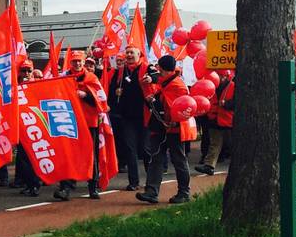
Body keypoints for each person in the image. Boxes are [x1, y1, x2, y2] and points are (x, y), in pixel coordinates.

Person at [136, 55, 193, 205]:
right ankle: (151, 192)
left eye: (158, 67)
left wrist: (153, 101)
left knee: (178, 160)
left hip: (174, 128)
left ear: (162, 68)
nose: (156, 70)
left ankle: (184, 192)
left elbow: (176, 108)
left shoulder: (176, 86)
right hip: (163, 127)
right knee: (156, 159)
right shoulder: (167, 82)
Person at [55, 51, 106, 200]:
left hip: (90, 123)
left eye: (79, 61)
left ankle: (93, 187)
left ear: (83, 63)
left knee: (92, 155)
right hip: (70, 122)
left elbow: (101, 99)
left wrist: (86, 96)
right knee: (68, 155)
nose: (77, 64)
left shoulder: (92, 78)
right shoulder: (64, 78)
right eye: (74, 61)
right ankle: (65, 187)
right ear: (70, 62)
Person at [106, 46, 149, 190]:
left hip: (144, 116)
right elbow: (110, 92)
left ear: (139, 55)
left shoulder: (146, 68)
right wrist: (115, 92)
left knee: (146, 150)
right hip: (127, 117)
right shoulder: (119, 72)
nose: (129, 55)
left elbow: (156, 77)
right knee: (130, 149)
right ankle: (134, 182)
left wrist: (150, 79)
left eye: (132, 53)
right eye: (128, 52)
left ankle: (152, 181)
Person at [12, 59, 43, 196]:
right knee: (23, 158)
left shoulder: (38, 85)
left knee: (33, 158)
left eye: (28, 71)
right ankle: (29, 183)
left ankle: (35, 184)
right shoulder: (14, 87)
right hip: (20, 128)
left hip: (34, 127)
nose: (26, 73)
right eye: (23, 70)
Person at [195, 73, 234, 175]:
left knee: (231, 143)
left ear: (225, 76)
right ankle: (209, 165)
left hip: (227, 120)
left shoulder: (232, 86)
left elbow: (237, 101)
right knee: (214, 143)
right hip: (214, 119)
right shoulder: (211, 86)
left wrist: (226, 104)